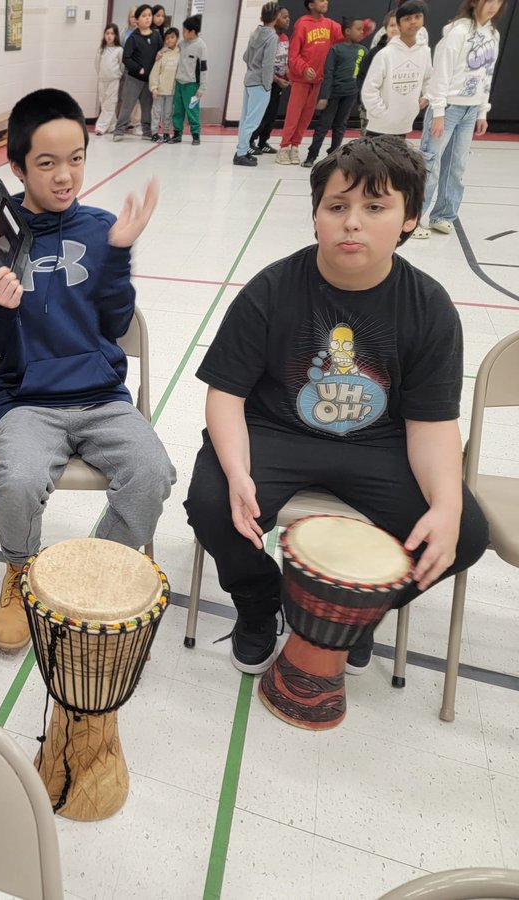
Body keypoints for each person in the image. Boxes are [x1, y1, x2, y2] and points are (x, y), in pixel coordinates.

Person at [184, 137, 488, 676]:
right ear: (316, 217)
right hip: (276, 431)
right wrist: (234, 472)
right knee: (211, 503)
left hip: (377, 445)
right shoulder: (272, 289)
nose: (353, 222)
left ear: (410, 218)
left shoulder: (430, 307)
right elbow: (226, 394)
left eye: (375, 207)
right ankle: (259, 603)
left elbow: (432, 424)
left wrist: (445, 503)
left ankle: (352, 616)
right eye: (337, 206)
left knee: (462, 534)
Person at [0, 89, 175, 653]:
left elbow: (113, 323)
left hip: (103, 397)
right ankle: (20, 571)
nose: (66, 176)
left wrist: (119, 254)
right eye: (47, 163)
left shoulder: (100, 227)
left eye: (76, 158)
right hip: (28, 401)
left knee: (153, 473)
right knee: (16, 482)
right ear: (17, 167)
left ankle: (91, 565)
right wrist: (3, 311)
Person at [412, 0, 504, 240]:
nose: (494, 6)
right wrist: (439, 112)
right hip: (448, 107)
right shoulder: (458, 32)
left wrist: (482, 111)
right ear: (474, 3)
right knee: (430, 164)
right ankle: (412, 218)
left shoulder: (492, 34)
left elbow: (487, 73)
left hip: (470, 109)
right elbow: (441, 73)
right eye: (489, 0)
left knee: (457, 166)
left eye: (499, 1)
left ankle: (443, 215)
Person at [278, 0, 343, 166]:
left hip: (318, 80)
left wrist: (363, 28)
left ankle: (295, 146)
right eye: (321, 0)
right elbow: (293, 55)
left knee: (306, 116)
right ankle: (284, 147)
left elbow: (346, 35)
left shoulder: (330, 25)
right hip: (301, 79)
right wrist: (304, 68)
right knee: (294, 115)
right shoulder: (302, 24)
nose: (325, 2)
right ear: (311, 5)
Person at [360, 2, 431, 139]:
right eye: (407, 19)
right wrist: (383, 115)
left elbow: (429, 78)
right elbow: (369, 90)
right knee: (373, 160)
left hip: (403, 125)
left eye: (417, 17)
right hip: (379, 126)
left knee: (397, 160)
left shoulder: (425, 52)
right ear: (399, 25)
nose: (413, 22)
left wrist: (426, 96)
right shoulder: (384, 54)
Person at [303, 17, 367, 167]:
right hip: (333, 94)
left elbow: (363, 75)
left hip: (350, 94)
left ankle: (334, 155)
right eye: (358, 29)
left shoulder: (363, 51)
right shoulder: (335, 49)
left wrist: (359, 95)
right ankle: (311, 156)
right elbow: (328, 73)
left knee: (340, 126)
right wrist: (324, 96)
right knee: (323, 126)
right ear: (347, 31)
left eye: (362, 29)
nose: (361, 32)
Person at [234, 3, 280, 167]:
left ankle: (242, 149)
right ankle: (240, 153)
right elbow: (268, 64)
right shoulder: (272, 37)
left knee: (245, 118)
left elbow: (246, 56)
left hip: (249, 79)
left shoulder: (255, 33)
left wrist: (252, 69)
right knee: (252, 121)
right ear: (276, 18)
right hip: (260, 82)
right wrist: (267, 85)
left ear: (261, 17)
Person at [113, 5, 162, 141]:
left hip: (149, 79)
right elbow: (126, 58)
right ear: (138, 20)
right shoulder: (133, 38)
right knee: (127, 105)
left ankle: (147, 130)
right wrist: (137, 68)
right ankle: (119, 130)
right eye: (144, 16)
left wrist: (160, 54)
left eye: (149, 15)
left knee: (147, 107)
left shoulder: (156, 36)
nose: (147, 18)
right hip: (134, 78)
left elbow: (161, 51)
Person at [250, 4, 292, 155]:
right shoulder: (269, 37)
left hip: (278, 83)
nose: (288, 20)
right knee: (262, 114)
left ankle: (263, 142)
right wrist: (276, 79)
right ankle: (250, 142)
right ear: (275, 18)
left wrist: (288, 75)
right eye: (284, 17)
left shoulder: (284, 38)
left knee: (272, 115)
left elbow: (283, 61)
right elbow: (263, 65)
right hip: (266, 82)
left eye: (288, 17)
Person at [357, 10, 400, 134]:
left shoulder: (410, 53)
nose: (395, 29)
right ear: (385, 28)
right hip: (372, 108)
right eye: (392, 25)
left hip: (397, 110)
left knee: (395, 146)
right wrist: (364, 102)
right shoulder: (375, 53)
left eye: (398, 25)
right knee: (368, 146)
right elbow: (362, 77)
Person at [171, 14, 207, 145]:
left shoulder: (201, 46)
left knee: (192, 110)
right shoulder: (181, 44)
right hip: (179, 83)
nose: (183, 33)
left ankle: (196, 135)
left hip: (192, 86)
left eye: (184, 31)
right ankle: (177, 133)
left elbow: (203, 68)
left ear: (192, 32)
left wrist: (202, 87)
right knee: (178, 110)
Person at [148, 28, 180, 143]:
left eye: (172, 37)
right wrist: (154, 88)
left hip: (171, 91)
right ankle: (154, 133)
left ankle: (166, 133)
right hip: (160, 90)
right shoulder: (162, 54)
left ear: (177, 38)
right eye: (167, 38)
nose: (169, 40)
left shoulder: (179, 54)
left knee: (168, 113)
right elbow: (155, 72)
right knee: (156, 112)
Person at [95, 23, 124, 136]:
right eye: (107, 33)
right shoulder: (101, 49)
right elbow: (97, 64)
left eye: (112, 33)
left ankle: (100, 127)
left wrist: (117, 74)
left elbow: (122, 65)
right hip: (102, 79)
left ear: (116, 35)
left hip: (113, 80)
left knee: (110, 103)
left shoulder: (119, 50)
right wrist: (101, 74)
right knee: (103, 101)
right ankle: (112, 125)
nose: (109, 36)